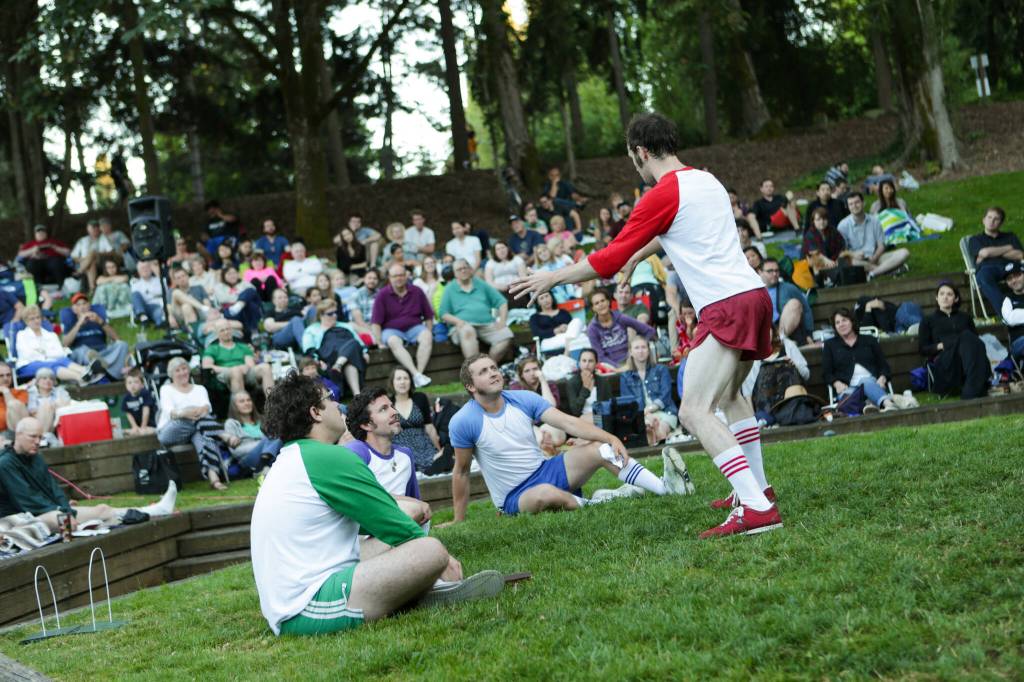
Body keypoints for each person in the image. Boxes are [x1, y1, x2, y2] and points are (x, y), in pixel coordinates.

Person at [510, 112, 783, 538]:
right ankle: (758, 490)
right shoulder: (706, 180)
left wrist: (552, 277)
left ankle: (756, 507)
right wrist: (642, 252)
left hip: (725, 304)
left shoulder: (660, 193)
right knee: (731, 398)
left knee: (693, 410)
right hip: (754, 296)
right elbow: (681, 228)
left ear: (640, 152)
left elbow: (607, 260)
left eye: (632, 158)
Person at [251, 371, 503, 637]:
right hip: (306, 608)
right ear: (316, 413)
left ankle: (414, 592)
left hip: (295, 598)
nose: (339, 405)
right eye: (330, 399)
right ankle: (422, 590)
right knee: (430, 550)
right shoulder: (328, 457)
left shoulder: (295, 457)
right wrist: (443, 562)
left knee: (391, 535)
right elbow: (393, 524)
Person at [448, 354, 690, 521]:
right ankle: (603, 502)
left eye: (493, 368)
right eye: (483, 372)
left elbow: (568, 422)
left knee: (602, 449)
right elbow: (461, 471)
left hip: (546, 470)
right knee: (545, 493)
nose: (493, 373)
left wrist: (610, 438)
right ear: (470, 386)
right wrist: (459, 519)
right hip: (515, 497)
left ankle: (666, 488)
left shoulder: (522, 399)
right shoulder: (464, 421)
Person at [0, 417, 177, 532]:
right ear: (18, 434)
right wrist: (63, 512)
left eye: (40, 437)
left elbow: (54, 489)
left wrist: (65, 508)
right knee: (63, 520)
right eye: (33, 437)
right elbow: (28, 501)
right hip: (19, 518)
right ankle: (82, 527)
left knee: (103, 510)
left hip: (46, 511)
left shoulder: (35, 457)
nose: (38, 442)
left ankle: (155, 510)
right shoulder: (5, 463)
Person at [343, 388, 430, 525]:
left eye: (392, 406)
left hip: (401, 526)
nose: (394, 412)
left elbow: (414, 500)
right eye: (383, 409)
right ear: (366, 424)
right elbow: (365, 495)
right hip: (365, 534)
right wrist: (416, 504)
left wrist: (416, 504)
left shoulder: (405, 455)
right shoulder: (356, 452)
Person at [157, 357, 232, 490]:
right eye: (177, 370)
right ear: (171, 374)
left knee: (204, 435)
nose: (182, 373)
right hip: (171, 432)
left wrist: (199, 411)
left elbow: (207, 407)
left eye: (184, 368)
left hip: (197, 428)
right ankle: (222, 434)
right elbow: (170, 412)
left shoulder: (199, 388)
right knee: (200, 421)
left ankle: (214, 480)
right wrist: (186, 413)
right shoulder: (166, 389)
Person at [918, 283, 989, 400]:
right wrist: (940, 346)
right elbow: (922, 349)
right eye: (941, 294)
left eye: (949, 294)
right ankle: (975, 390)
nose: (945, 297)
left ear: (955, 299)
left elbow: (975, 342)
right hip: (944, 360)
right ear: (937, 298)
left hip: (966, 358)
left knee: (970, 340)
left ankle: (970, 390)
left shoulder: (965, 317)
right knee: (966, 336)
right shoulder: (928, 320)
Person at [822, 309, 898, 412]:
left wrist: (882, 378)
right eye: (837, 322)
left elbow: (883, 365)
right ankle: (870, 406)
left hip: (871, 383)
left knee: (865, 382)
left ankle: (888, 405)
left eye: (844, 320)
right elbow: (827, 373)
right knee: (846, 399)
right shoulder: (830, 345)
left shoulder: (869, 340)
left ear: (852, 321)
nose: (841, 324)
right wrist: (836, 383)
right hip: (847, 388)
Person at [439, 259, 515, 362]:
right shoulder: (450, 288)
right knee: (468, 330)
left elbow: (502, 302)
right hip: (463, 326)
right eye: (459, 269)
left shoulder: (481, 284)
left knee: (506, 334)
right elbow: (443, 313)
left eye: (465, 268)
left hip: (487, 324)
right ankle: (475, 369)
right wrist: (458, 321)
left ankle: (488, 365)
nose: (463, 271)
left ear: (470, 269)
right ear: (455, 274)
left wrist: (502, 321)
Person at [372, 263, 435, 388]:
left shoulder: (417, 291)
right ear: (389, 278)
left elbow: (428, 315)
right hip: (391, 330)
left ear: (406, 276)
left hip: (414, 328)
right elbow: (376, 322)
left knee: (427, 336)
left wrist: (429, 330)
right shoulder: (382, 295)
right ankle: (415, 374)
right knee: (393, 341)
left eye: (401, 275)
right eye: (395, 276)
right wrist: (379, 342)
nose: (398, 278)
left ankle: (419, 375)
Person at [15, 305, 100, 385]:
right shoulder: (21, 335)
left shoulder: (51, 335)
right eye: (32, 319)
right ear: (26, 321)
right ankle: (84, 373)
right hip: (27, 366)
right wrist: (48, 355)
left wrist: (42, 352)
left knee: (59, 362)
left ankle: (83, 376)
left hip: (53, 364)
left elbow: (60, 353)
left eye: (38, 317)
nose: (36, 321)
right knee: (54, 363)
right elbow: (27, 355)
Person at [302, 301, 367, 399]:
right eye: (330, 314)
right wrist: (317, 361)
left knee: (352, 349)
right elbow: (308, 348)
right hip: (328, 356)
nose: (334, 316)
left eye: (335, 312)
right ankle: (338, 365)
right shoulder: (312, 329)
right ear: (321, 315)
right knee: (352, 345)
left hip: (346, 359)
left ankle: (357, 395)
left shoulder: (345, 325)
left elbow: (359, 342)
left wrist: (365, 352)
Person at [837, 192, 910, 279]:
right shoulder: (842, 225)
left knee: (904, 252)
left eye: (857, 202)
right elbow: (841, 251)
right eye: (851, 204)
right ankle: (888, 272)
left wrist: (874, 257)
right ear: (848, 207)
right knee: (850, 262)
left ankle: (873, 273)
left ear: (863, 203)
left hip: (876, 257)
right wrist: (853, 254)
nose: (854, 206)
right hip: (857, 260)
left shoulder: (874, 221)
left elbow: (881, 245)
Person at [620, 337, 677, 445]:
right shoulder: (625, 376)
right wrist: (644, 414)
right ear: (631, 352)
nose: (640, 351)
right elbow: (628, 402)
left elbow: (666, 395)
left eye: (643, 347)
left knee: (660, 431)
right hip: (641, 415)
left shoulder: (661, 370)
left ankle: (657, 434)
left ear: (648, 350)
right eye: (636, 348)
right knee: (647, 429)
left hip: (665, 411)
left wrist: (650, 409)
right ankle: (650, 431)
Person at [61, 292, 130, 380]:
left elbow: (117, 339)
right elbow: (64, 344)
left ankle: (104, 368)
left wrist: (101, 322)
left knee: (123, 345)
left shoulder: (98, 319)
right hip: (83, 355)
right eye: (78, 305)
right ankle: (103, 367)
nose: (82, 307)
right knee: (84, 350)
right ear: (74, 309)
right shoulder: (71, 323)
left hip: (103, 352)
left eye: (84, 304)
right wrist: (78, 324)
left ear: (89, 306)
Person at [968, 207, 1023, 314]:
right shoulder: (975, 239)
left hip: (1011, 267)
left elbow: (1019, 255)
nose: (991, 221)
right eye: (989, 217)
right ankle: (1006, 313)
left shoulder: (1010, 236)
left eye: (996, 219)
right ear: (983, 220)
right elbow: (984, 253)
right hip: (990, 269)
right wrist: (1008, 248)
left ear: (1001, 223)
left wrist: (990, 253)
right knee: (983, 276)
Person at [386, 367, 442, 473]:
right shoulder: (388, 403)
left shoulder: (420, 398)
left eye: (406, 378)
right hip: (401, 447)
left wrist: (439, 449)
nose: (402, 382)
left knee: (437, 461)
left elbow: (429, 427)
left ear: (410, 381)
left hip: (423, 445)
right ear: (392, 382)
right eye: (398, 379)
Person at [202, 319, 275, 395]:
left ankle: (272, 402)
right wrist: (230, 369)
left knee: (266, 367)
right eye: (222, 330)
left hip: (245, 372)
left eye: (228, 329)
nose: (226, 332)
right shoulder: (212, 348)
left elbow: (250, 365)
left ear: (232, 329)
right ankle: (239, 404)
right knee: (236, 371)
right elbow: (207, 366)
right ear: (216, 333)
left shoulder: (243, 346)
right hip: (224, 373)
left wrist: (246, 366)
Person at [510, 355, 566, 452]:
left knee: (556, 439)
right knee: (539, 437)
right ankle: (546, 448)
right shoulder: (516, 387)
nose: (532, 373)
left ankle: (545, 448)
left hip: (550, 422)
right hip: (529, 425)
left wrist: (543, 380)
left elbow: (551, 406)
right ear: (521, 374)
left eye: (535, 369)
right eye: (527, 371)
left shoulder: (550, 385)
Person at [585, 290, 655, 368]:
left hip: (631, 361)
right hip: (609, 366)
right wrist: (618, 367)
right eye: (597, 303)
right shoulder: (592, 329)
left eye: (603, 301)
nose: (601, 304)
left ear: (608, 302)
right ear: (593, 308)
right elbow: (600, 357)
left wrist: (640, 345)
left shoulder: (620, 317)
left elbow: (649, 331)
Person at [224, 390, 282, 475]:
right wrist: (262, 444)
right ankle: (262, 465)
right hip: (247, 458)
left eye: (248, 400)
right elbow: (235, 451)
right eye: (242, 401)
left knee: (279, 434)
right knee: (271, 437)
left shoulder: (262, 420)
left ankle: (263, 465)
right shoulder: (231, 423)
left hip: (270, 453)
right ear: (234, 406)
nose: (246, 403)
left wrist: (265, 444)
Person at [758, 259, 813, 345]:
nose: (775, 274)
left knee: (794, 303)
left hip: (786, 329)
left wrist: (809, 333)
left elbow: (806, 310)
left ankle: (778, 340)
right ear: (760, 272)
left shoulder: (789, 288)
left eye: (777, 270)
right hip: (765, 330)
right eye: (770, 271)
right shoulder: (754, 292)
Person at [801, 207, 847, 278]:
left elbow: (842, 245)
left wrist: (837, 258)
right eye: (818, 219)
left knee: (845, 257)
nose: (822, 222)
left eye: (824, 219)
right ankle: (819, 279)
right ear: (813, 221)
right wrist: (827, 261)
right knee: (815, 260)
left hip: (833, 260)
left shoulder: (832, 230)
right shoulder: (810, 234)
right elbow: (814, 253)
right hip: (816, 262)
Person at [70, 220, 115, 293]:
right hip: (85, 263)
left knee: (92, 252)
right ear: (88, 229)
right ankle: (92, 289)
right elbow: (73, 256)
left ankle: (79, 271)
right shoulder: (82, 240)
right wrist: (85, 259)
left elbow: (111, 252)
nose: (94, 229)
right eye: (92, 228)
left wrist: (97, 254)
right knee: (91, 263)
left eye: (96, 227)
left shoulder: (104, 238)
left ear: (99, 229)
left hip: (101, 261)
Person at [25, 368, 70, 438]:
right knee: (46, 404)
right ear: (37, 381)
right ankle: (42, 436)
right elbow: (32, 412)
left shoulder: (59, 392)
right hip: (36, 423)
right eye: (44, 378)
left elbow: (65, 406)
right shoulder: (32, 393)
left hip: (56, 422)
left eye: (51, 379)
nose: (48, 380)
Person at [565, 349, 599, 421]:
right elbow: (575, 411)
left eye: (590, 361)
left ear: (596, 364)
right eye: (584, 361)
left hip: (600, 416)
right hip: (581, 420)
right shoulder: (572, 383)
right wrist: (585, 389)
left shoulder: (602, 381)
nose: (587, 364)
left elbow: (608, 405)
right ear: (579, 363)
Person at [121, 368, 157, 435]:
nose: (133, 385)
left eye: (136, 382)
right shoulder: (126, 398)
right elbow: (128, 414)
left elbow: (146, 412)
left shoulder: (145, 394)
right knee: (128, 432)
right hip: (138, 427)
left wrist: (143, 427)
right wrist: (135, 427)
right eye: (129, 383)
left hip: (150, 425)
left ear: (142, 384)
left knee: (146, 431)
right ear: (126, 386)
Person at [130, 260, 166, 326]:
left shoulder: (159, 279)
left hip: (158, 305)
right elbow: (136, 299)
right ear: (138, 271)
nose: (145, 270)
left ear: (151, 269)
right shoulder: (136, 283)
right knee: (135, 295)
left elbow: (164, 292)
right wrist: (153, 294)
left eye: (147, 267)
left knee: (158, 313)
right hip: (145, 306)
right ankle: (142, 316)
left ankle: (159, 323)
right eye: (142, 268)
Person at [348, 268, 381, 339]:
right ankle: (375, 338)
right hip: (361, 326)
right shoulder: (356, 294)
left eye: (375, 279)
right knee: (351, 325)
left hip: (377, 325)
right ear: (364, 279)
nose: (372, 281)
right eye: (369, 278)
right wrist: (369, 329)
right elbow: (358, 319)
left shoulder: (381, 294)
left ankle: (374, 338)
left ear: (378, 281)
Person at [1002, 262, 1024, 362]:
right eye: (1009, 279)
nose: (1014, 280)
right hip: (1019, 343)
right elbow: (1010, 319)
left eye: (1017, 275)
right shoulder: (1007, 300)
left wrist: (1017, 314)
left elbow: (1014, 317)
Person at [0, 361, 29, 436]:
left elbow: (16, 409)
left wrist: (6, 391)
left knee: (14, 404)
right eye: (1, 376)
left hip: (17, 432)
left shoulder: (20, 392)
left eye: (8, 375)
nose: (6, 378)